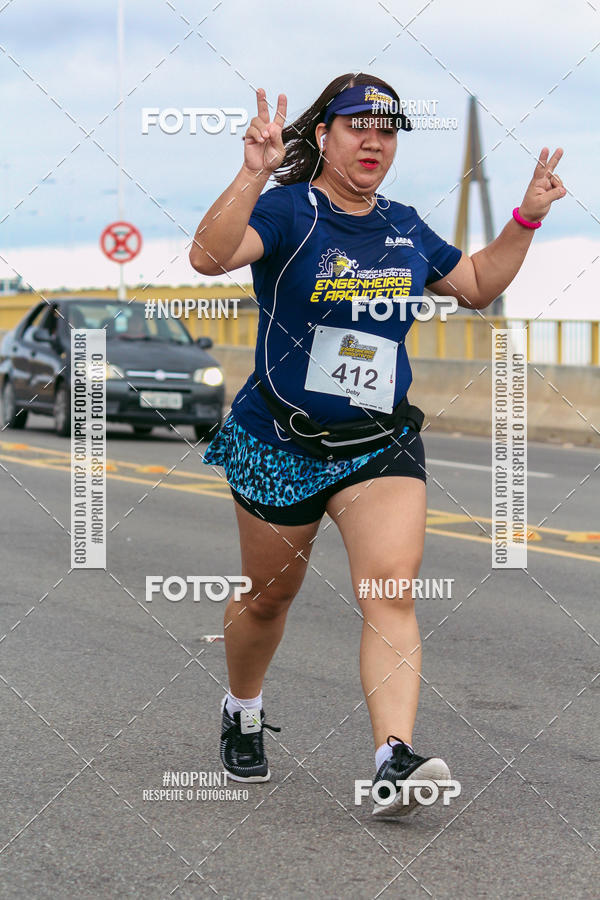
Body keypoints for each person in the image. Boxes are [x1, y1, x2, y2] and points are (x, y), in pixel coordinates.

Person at [189, 73, 565, 818]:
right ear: (324, 136)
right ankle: (242, 706)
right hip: (281, 440)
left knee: (391, 588)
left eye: (387, 129)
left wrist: (524, 218)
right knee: (268, 600)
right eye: (358, 125)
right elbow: (209, 257)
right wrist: (251, 170)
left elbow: (480, 283)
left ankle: (392, 758)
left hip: (376, 441)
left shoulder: (404, 223)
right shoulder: (289, 211)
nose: (374, 140)